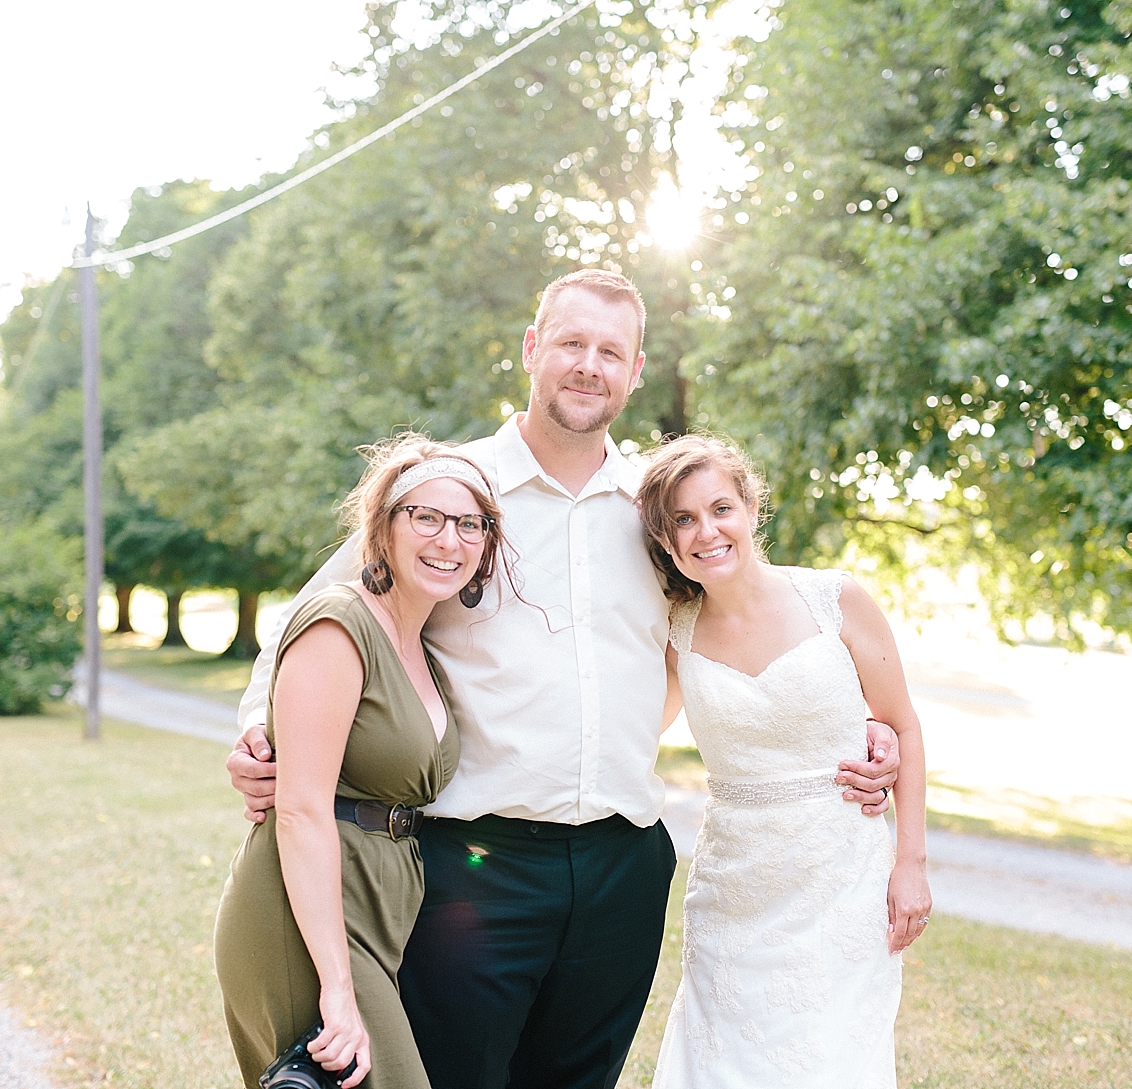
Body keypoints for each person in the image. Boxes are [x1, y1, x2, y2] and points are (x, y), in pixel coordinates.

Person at [225, 269, 903, 1089]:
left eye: (610, 351)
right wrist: (260, 731)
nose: (589, 365)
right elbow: (322, 611)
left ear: (636, 370)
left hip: (623, 868)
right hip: (474, 864)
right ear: (532, 349)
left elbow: (740, 611)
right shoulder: (453, 492)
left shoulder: (656, 509)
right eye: (572, 343)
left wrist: (848, 722)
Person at [635, 434, 931, 1088]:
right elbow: (631, 733)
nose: (705, 531)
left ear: (749, 507)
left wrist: (909, 864)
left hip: (841, 879)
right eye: (682, 519)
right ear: (665, 538)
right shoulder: (675, 632)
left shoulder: (835, 600)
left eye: (719, 508)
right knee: (724, 1060)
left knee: (830, 1060)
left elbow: (903, 724)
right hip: (735, 889)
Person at [213, 436, 508, 1089]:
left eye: (469, 524)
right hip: (303, 912)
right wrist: (338, 987)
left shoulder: (422, 647)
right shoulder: (340, 624)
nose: (448, 539)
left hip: (375, 911)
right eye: (425, 516)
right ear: (384, 527)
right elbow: (300, 808)